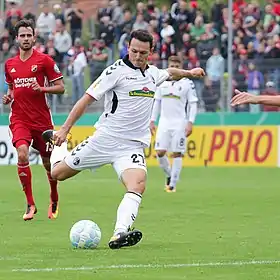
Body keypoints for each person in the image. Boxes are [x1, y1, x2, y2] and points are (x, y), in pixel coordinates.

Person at [42, 29, 205, 249]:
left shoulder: (153, 74)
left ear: (151, 52)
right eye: (134, 51)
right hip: (105, 139)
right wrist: (64, 130)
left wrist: (190, 73)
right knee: (58, 173)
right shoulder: (115, 72)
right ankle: (56, 143)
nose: (138, 56)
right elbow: (86, 100)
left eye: (143, 53)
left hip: (132, 146)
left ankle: (119, 234)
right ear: (128, 48)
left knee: (137, 184)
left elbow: (170, 73)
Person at [2, 19, 65, 221]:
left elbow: (61, 87)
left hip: (42, 121)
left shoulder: (44, 61)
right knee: (22, 154)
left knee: (48, 164)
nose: (26, 39)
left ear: (34, 37)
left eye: (29, 35)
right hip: (19, 118)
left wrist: (43, 89)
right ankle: (30, 204)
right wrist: (9, 96)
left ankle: (53, 196)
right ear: (17, 38)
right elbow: (12, 87)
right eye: (22, 35)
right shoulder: (9, 64)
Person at [150, 55, 198, 193]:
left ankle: (172, 185)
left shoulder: (187, 83)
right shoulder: (162, 82)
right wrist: (152, 120)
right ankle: (170, 175)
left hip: (179, 123)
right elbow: (157, 102)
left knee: (177, 153)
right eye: (173, 66)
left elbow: (193, 104)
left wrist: (190, 122)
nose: (175, 69)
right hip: (164, 122)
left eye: (177, 67)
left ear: (181, 68)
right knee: (160, 152)